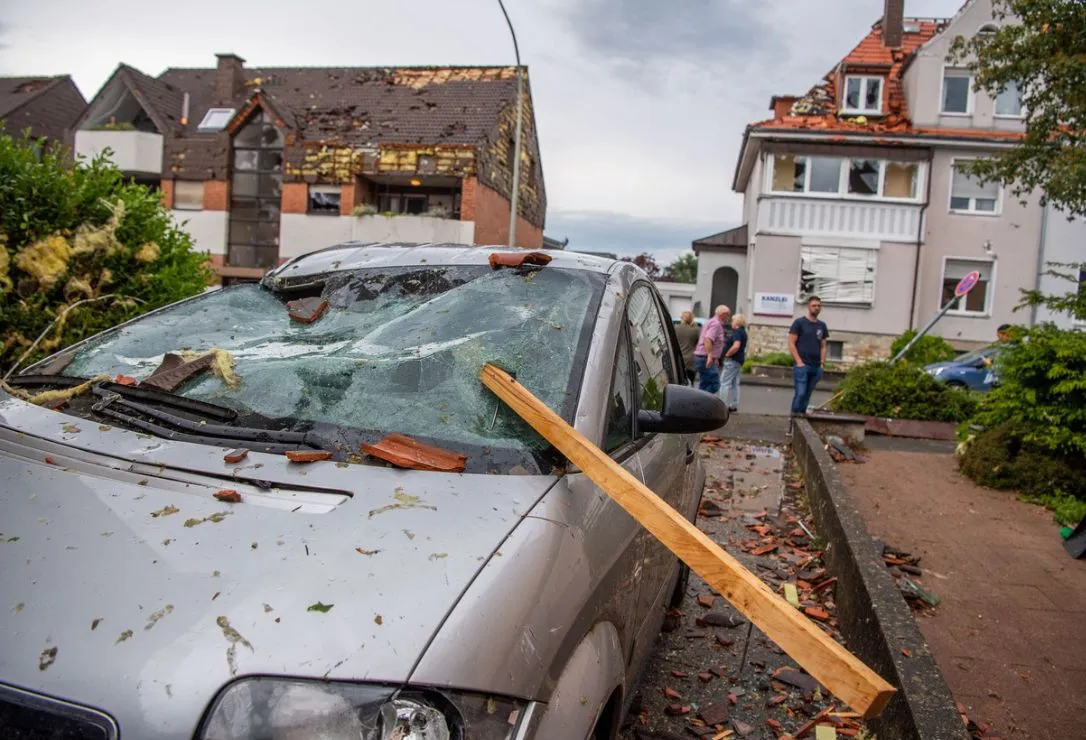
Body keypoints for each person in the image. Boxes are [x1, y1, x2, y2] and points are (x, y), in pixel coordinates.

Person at [788, 296, 829, 416]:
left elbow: (823, 346)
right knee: (800, 393)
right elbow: (791, 343)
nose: (816, 308)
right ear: (808, 307)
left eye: (819, 306)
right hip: (802, 366)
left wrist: (822, 363)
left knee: (807, 395)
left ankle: (801, 420)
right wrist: (799, 362)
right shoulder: (799, 323)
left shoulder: (822, 325)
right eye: (814, 306)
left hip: (816, 367)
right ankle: (793, 419)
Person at [694, 305, 731, 394]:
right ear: (723, 314)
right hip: (705, 358)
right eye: (728, 315)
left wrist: (715, 358)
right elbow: (708, 339)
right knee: (715, 384)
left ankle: (699, 404)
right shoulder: (716, 324)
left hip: (703, 357)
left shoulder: (710, 322)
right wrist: (710, 356)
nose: (728, 318)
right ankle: (702, 401)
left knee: (704, 383)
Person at [720, 314, 748, 412]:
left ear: (736, 322)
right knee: (735, 383)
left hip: (732, 360)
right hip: (739, 360)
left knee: (724, 383)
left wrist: (727, 354)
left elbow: (736, 346)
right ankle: (734, 404)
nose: (731, 323)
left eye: (733, 321)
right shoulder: (743, 332)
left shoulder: (736, 333)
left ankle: (722, 405)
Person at [674, 311, 701, 384]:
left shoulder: (675, 328)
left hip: (678, 359)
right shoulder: (696, 330)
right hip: (691, 361)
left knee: (678, 384)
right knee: (690, 384)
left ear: (681, 318)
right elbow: (700, 344)